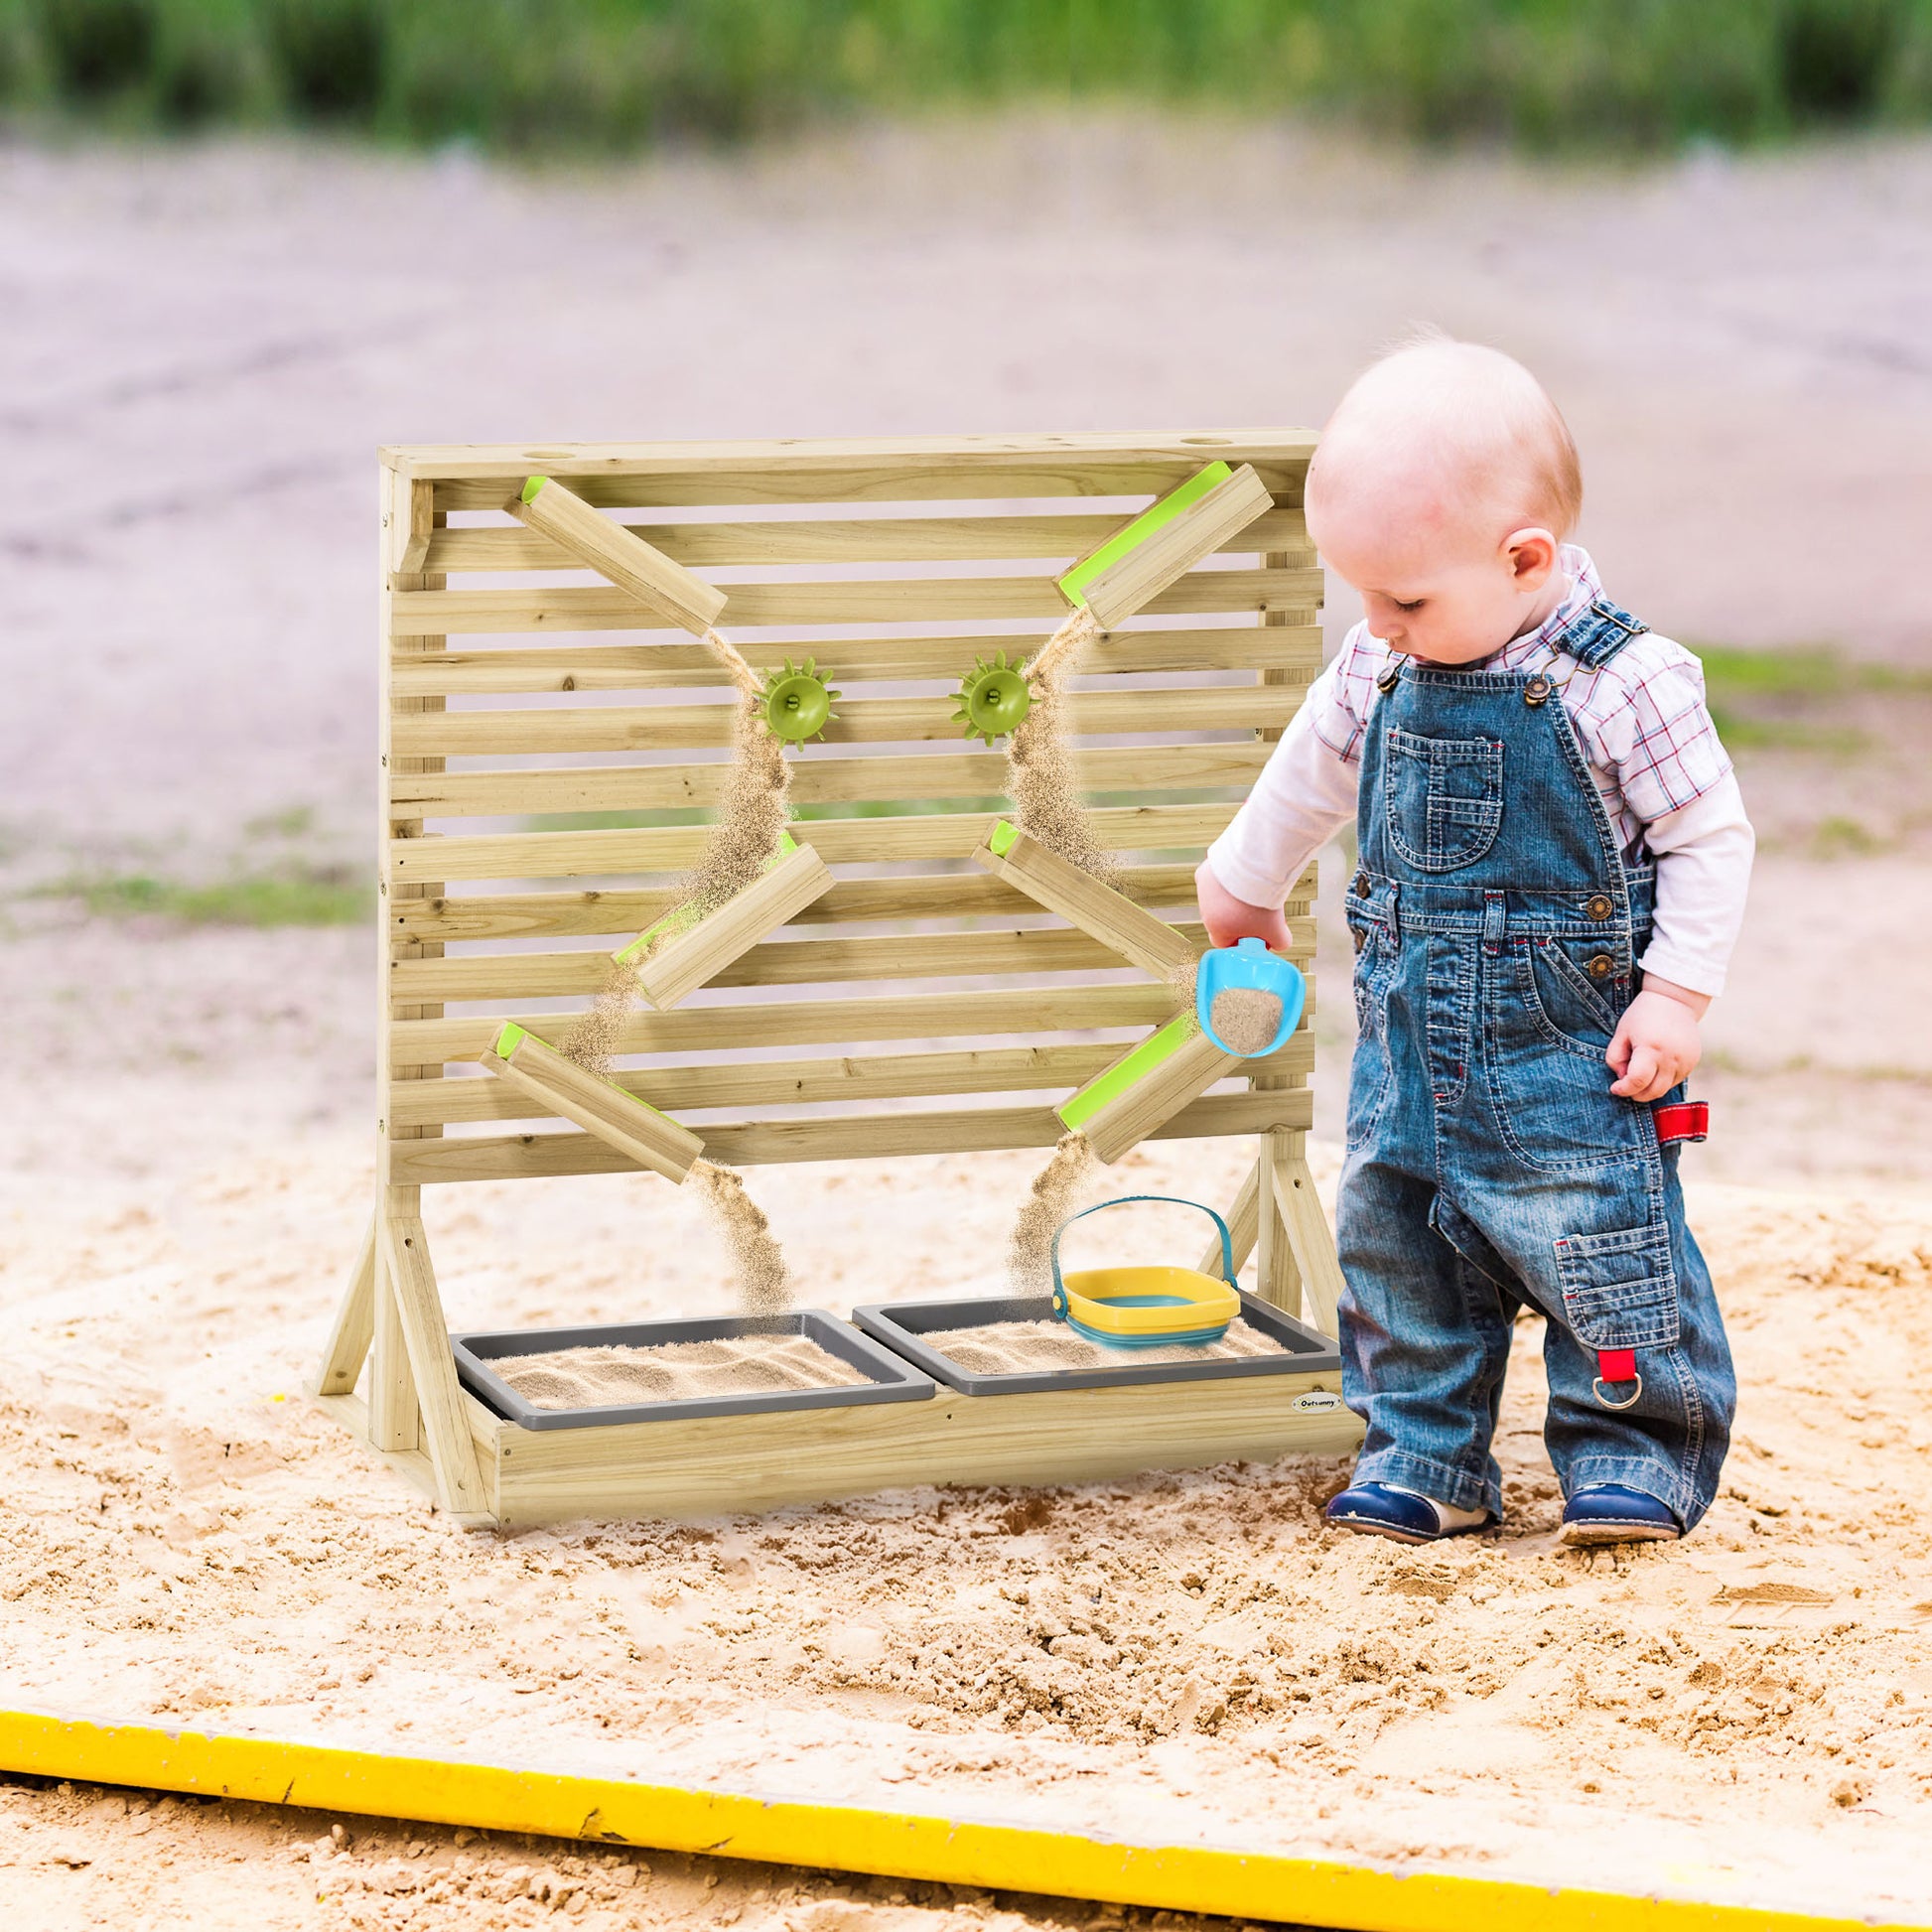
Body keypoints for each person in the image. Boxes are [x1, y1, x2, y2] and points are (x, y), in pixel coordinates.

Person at [1197, 333, 1752, 1547]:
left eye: (1401, 598)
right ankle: (1425, 1451)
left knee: (1597, 1238)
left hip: (1572, 1046)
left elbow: (1710, 836)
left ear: (1523, 559)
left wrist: (1674, 996)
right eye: (1360, 594)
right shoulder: (1377, 663)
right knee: (1396, 1245)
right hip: (1406, 1043)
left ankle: (1633, 1454)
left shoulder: (1625, 681)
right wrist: (1241, 885)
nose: (1375, 624)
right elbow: (1305, 778)